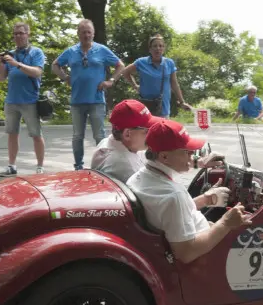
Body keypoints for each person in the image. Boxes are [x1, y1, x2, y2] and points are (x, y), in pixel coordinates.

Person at [127, 120, 252, 264]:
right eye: (186, 152)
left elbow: (168, 214)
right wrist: (225, 223)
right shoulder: (173, 196)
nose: (192, 156)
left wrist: (204, 200)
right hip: (202, 259)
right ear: (164, 157)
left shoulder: (140, 177)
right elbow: (186, 253)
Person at [92, 99, 227, 183]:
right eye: (148, 130)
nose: (152, 133)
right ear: (127, 133)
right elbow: (152, 210)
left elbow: (153, 159)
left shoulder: (123, 145)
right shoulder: (121, 165)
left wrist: (199, 162)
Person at [52, 19, 125, 170]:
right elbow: (55, 65)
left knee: (99, 136)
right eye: (83, 32)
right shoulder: (71, 51)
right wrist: (65, 77)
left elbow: (120, 65)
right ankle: (78, 166)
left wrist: (110, 80)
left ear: (93, 34)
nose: (86, 35)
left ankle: (103, 166)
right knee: (77, 136)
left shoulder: (102, 50)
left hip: (96, 100)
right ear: (78, 34)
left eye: (89, 32)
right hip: (77, 100)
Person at [0, 21, 47, 176]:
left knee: (36, 134)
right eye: (15, 33)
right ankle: (11, 165)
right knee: (12, 133)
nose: (18, 36)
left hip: (30, 100)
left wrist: (17, 64)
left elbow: (37, 72)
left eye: (21, 33)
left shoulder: (36, 52)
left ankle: (40, 167)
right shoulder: (10, 54)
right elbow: (0, 78)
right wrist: (2, 63)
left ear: (28, 34)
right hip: (12, 100)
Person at [110, 34, 192, 118]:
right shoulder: (141, 62)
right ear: (150, 49)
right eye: (155, 46)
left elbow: (174, 83)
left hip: (163, 107)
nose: (158, 48)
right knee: (145, 130)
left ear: (164, 49)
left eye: (160, 46)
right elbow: (125, 72)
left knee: (161, 130)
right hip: (145, 107)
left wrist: (182, 102)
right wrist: (135, 86)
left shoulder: (169, 63)